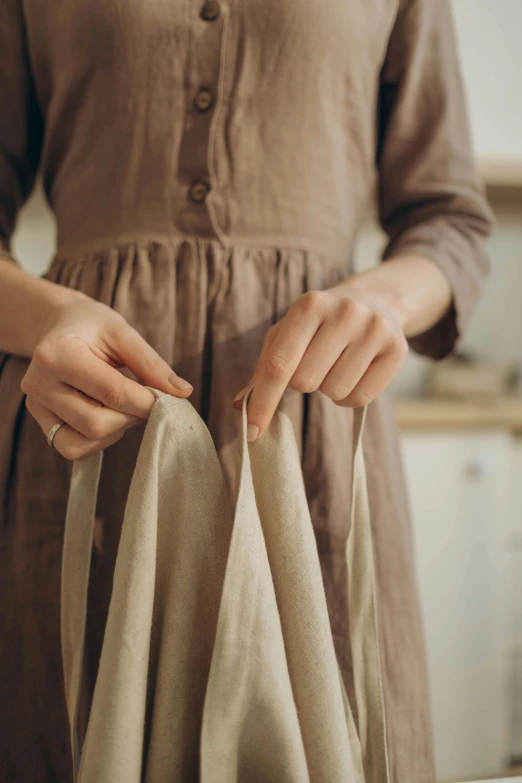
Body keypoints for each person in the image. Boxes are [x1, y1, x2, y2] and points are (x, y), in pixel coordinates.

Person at [0, 0, 492, 780]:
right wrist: (50, 313)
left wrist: (383, 303)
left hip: (313, 445)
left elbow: (451, 221)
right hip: (88, 435)